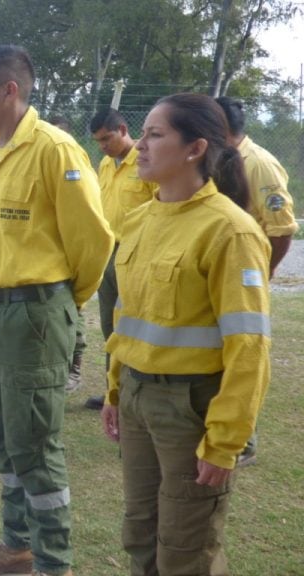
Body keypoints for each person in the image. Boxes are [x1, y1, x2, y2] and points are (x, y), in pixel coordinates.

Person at [0, 46, 113, 576]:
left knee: (36, 443)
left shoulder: (56, 150)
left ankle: (53, 563)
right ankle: (16, 544)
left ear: (9, 91)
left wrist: (61, 304)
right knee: (2, 437)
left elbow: (93, 242)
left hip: (35, 315)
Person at [100, 93, 271, 576]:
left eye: (155, 135)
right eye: (144, 134)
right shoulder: (139, 221)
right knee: (140, 532)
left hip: (189, 407)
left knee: (184, 549)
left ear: (195, 149)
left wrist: (225, 441)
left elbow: (249, 348)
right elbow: (127, 316)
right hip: (137, 397)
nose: (140, 148)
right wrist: (115, 389)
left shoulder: (229, 231)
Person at [215, 96, 300, 468]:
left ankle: (243, 441)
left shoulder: (259, 164)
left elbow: (282, 229)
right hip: (219, 275)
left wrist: (261, 273)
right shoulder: (217, 159)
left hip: (244, 277)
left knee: (244, 354)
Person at [84, 109, 157, 410]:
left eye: (107, 138)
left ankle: (137, 393)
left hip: (137, 254)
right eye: (98, 141)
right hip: (107, 253)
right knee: (109, 327)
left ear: (123, 129)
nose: (102, 146)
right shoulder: (103, 164)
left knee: (135, 326)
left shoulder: (146, 161)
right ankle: (113, 393)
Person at [47, 115, 86, 393]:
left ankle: (74, 368)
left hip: (71, 260)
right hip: (49, 260)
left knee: (75, 319)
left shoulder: (77, 165)